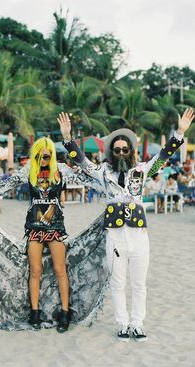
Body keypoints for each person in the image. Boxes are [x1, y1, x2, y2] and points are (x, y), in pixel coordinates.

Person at [58, 108, 194, 342]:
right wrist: (68, 139)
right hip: (115, 237)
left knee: (139, 283)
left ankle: (137, 323)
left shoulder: (142, 170)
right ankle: (123, 323)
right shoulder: (103, 172)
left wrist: (180, 133)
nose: (121, 153)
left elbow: (163, 156)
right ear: (112, 152)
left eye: (125, 149)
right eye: (117, 150)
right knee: (118, 282)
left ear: (131, 150)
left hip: (139, 235)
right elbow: (81, 162)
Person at [0, 137, 107, 332]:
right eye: (38, 156)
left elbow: (87, 181)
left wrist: (113, 194)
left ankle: (65, 312)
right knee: (35, 271)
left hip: (56, 227)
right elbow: (7, 183)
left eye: (46, 156)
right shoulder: (29, 170)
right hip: (34, 228)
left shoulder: (61, 169)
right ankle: (34, 312)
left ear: (52, 155)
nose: (42, 159)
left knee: (60, 270)